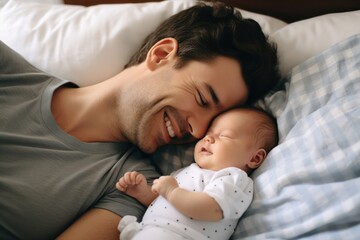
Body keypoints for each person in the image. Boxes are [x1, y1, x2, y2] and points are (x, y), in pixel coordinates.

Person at [0, 1, 280, 239]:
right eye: (202, 98)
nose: (198, 131)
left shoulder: (132, 188)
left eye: (214, 122)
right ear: (160, 55)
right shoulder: (8, 71)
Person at [116, 107, 278, 240]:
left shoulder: (234, 179)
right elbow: (166, 201)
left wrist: (172, 191)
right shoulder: (185, 171)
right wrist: (143, 192)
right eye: (209, 133)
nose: (208, 138)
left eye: (224, 136)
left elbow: (211, 208)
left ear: (255, 158)